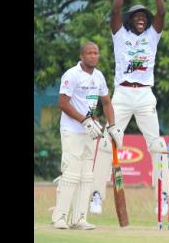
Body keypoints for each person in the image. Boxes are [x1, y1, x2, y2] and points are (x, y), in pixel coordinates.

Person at [89, 0, 169, 218]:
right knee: (106, 144)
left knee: (157, 146)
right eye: (136, 16)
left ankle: (163, 199)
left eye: (144, 17)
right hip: (122, 95)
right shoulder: (119, 35)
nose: (141, 19)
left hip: (145, 94)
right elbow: (114, 9)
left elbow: (162, 10)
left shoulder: (153, 35)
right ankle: (96, 197)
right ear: (129, 20)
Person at [51, 42, 123, 230]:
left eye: (96, 53)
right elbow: (63, 103)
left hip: (90, 132)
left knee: (86, 175)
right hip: (72, 131)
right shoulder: (72, 75)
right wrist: (84, 120)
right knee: (71, 174)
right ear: (81, 56)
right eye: (89, 53)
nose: (93, 56)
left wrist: (112, 126)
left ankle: (79, 218)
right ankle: (60, 217)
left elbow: (106, 102)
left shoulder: (98, 76)